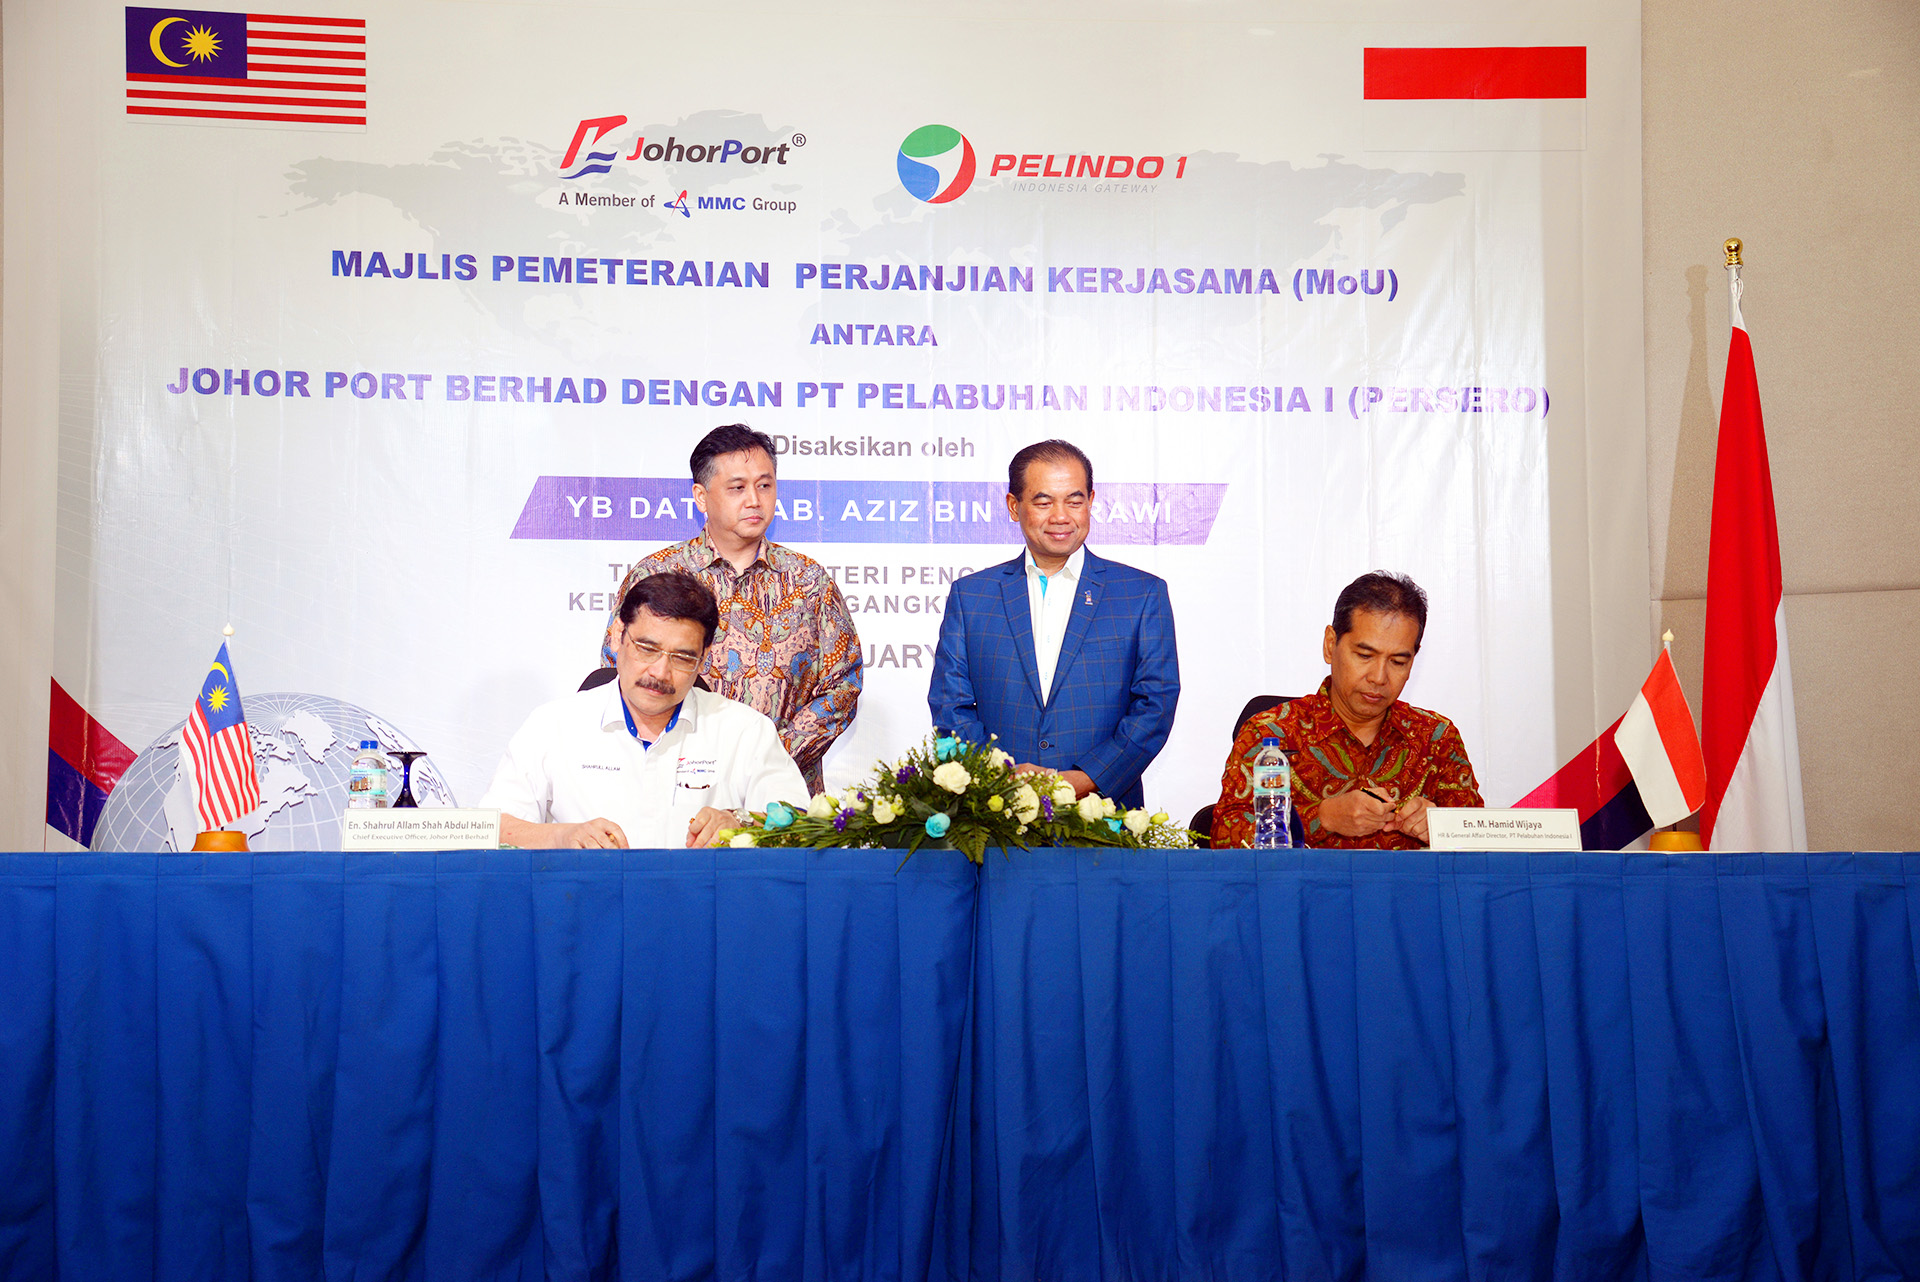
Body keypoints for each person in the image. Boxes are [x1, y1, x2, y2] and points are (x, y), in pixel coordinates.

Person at [600, 423, 859, 794]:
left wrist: (768, 759)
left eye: (764, 485)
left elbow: (843, 684)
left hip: (780, 800)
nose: (754, 500)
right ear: (701, 497)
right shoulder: (657, 574)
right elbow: (619, 671)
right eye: (737, 488)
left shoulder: (808, 580)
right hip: (673, 789)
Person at [927, 440, 1179, 810]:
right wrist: (1000, 778)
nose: (1061, 516)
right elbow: (951, 705)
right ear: (1014, 506)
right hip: (994, 813)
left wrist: (1084, 779)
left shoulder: (1141, 594)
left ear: (1091, 501)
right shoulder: (972, 596)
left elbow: (1154, 706)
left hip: (1103, 814)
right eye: (1044, 502)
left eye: (1074, 501)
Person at [487, 571, 806, 848]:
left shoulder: (744, 730)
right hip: (586, 898)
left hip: (701, 898)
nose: (660, 672)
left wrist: (741, 822)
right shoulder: (552, 725)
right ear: (617, 636)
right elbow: (492, 828)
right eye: (647, 648)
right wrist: (562, 837)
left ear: (703, 659)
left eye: (682, 657)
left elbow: (801, 823)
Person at [1211, 571, 1482, 849]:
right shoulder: (1271, 733)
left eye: (1398, 662)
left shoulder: (1436, 738)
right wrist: (1322, 818)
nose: (1379, 677)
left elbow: (1483, 843)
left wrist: (1442, 826)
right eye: (1365, 656)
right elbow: (1224, 836)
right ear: (1331, 645)